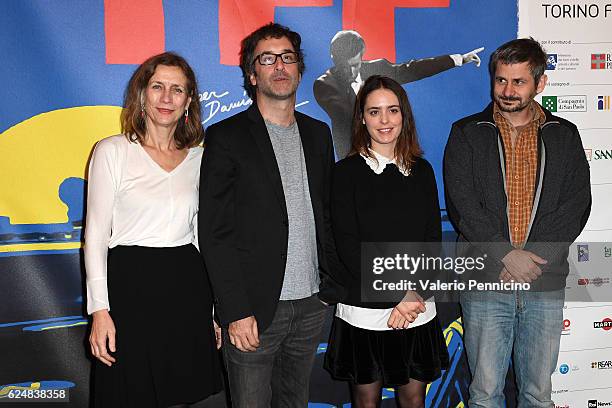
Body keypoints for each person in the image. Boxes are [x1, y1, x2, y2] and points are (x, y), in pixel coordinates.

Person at [199, 23, 344, 408]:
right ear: (252, 74)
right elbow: (215, 232)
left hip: (311, 304)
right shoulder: (225, 136)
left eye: (287, 57)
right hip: (256, 310)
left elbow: (326, 215)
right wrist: (234, 310)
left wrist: (330, 288)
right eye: (267, 59)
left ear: (299, 69)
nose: (279, 66)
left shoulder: (318, 134)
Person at [443, 38, 591, 407]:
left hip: (544, 281)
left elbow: (576, 205)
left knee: (538, 395)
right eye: (501, 81)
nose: (507, 91)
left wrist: (531, 259)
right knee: (484, 394)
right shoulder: (466, 132)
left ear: (540, 83)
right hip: (485, 281)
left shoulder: (564, 134)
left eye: (518, 82)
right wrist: (507, 255)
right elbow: (462, 207)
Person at [85, 52, 222, 407]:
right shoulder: (111, 151)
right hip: (130, 290)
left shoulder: (200, 159)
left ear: (189, 101)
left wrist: (214, 313)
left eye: (177, 89)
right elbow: (96, 236)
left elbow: (200, 238)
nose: (166, 97)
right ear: (142, 93)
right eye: (158, 86)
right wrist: (100, 311)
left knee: (184, 395)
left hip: (188, 289)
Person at [324, 75, 449, 408]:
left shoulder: (422, 171)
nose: (384, 120)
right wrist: (400, 294)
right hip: (365, 310)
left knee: (413, 401)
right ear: (362, 118)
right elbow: (348, 248)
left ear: (403, 116)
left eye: (392, 110)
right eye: (374, 111)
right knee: (366, 402)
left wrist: (414, 296)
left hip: (415, 310)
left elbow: (432, 243)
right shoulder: (345, 173)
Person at [314, 29, 484, 159]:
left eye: (355, 64)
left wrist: (458, 59)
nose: (351, 71)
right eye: (345, 66)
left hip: (388, 152)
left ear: (361, 56)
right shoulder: (324, 84)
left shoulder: (376, 68)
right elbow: (344, 113)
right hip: (352, 154)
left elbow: (412, 69)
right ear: (333, 58)